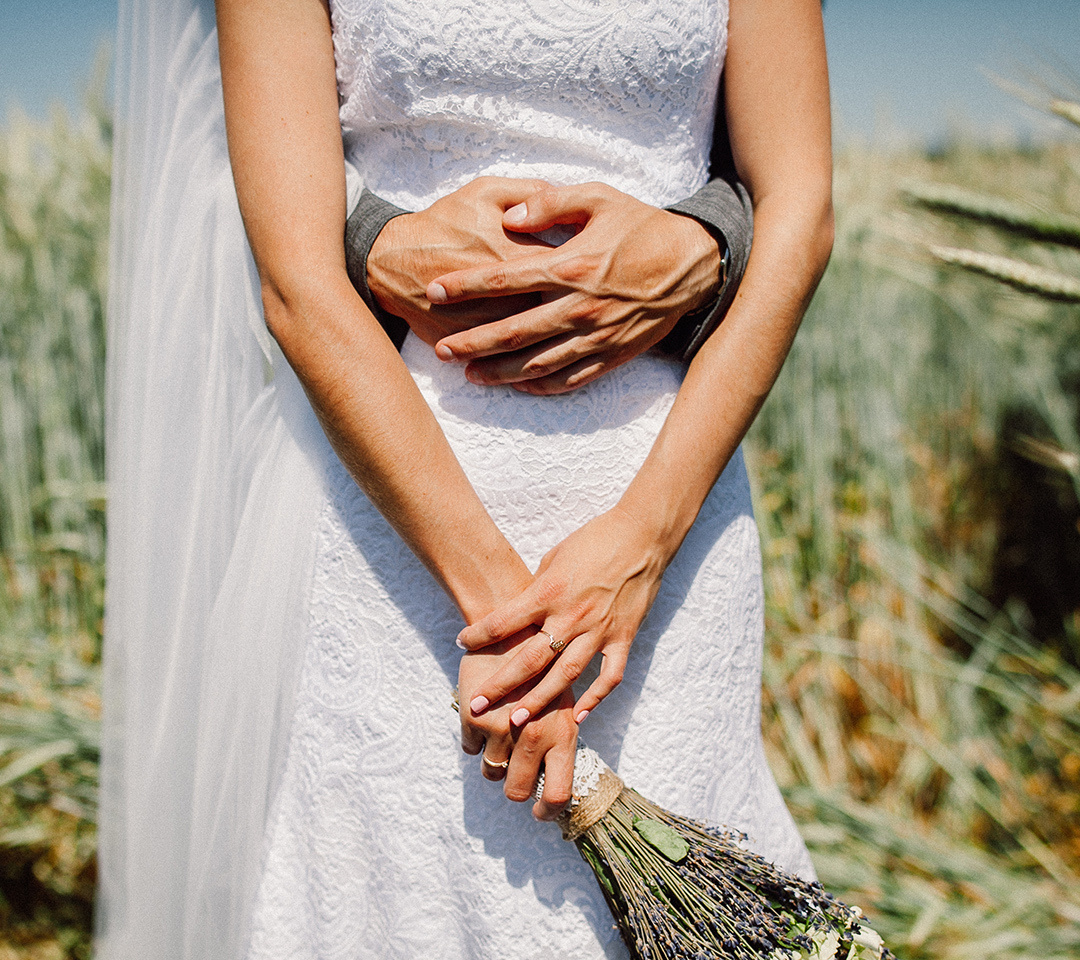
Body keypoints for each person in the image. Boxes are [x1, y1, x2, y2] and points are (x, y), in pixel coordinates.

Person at [99, 0, 832, 958]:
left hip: (671, 522)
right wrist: (507, 623)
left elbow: (801, 205)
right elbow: (297, 281)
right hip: (399, 534)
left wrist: (644, 540)